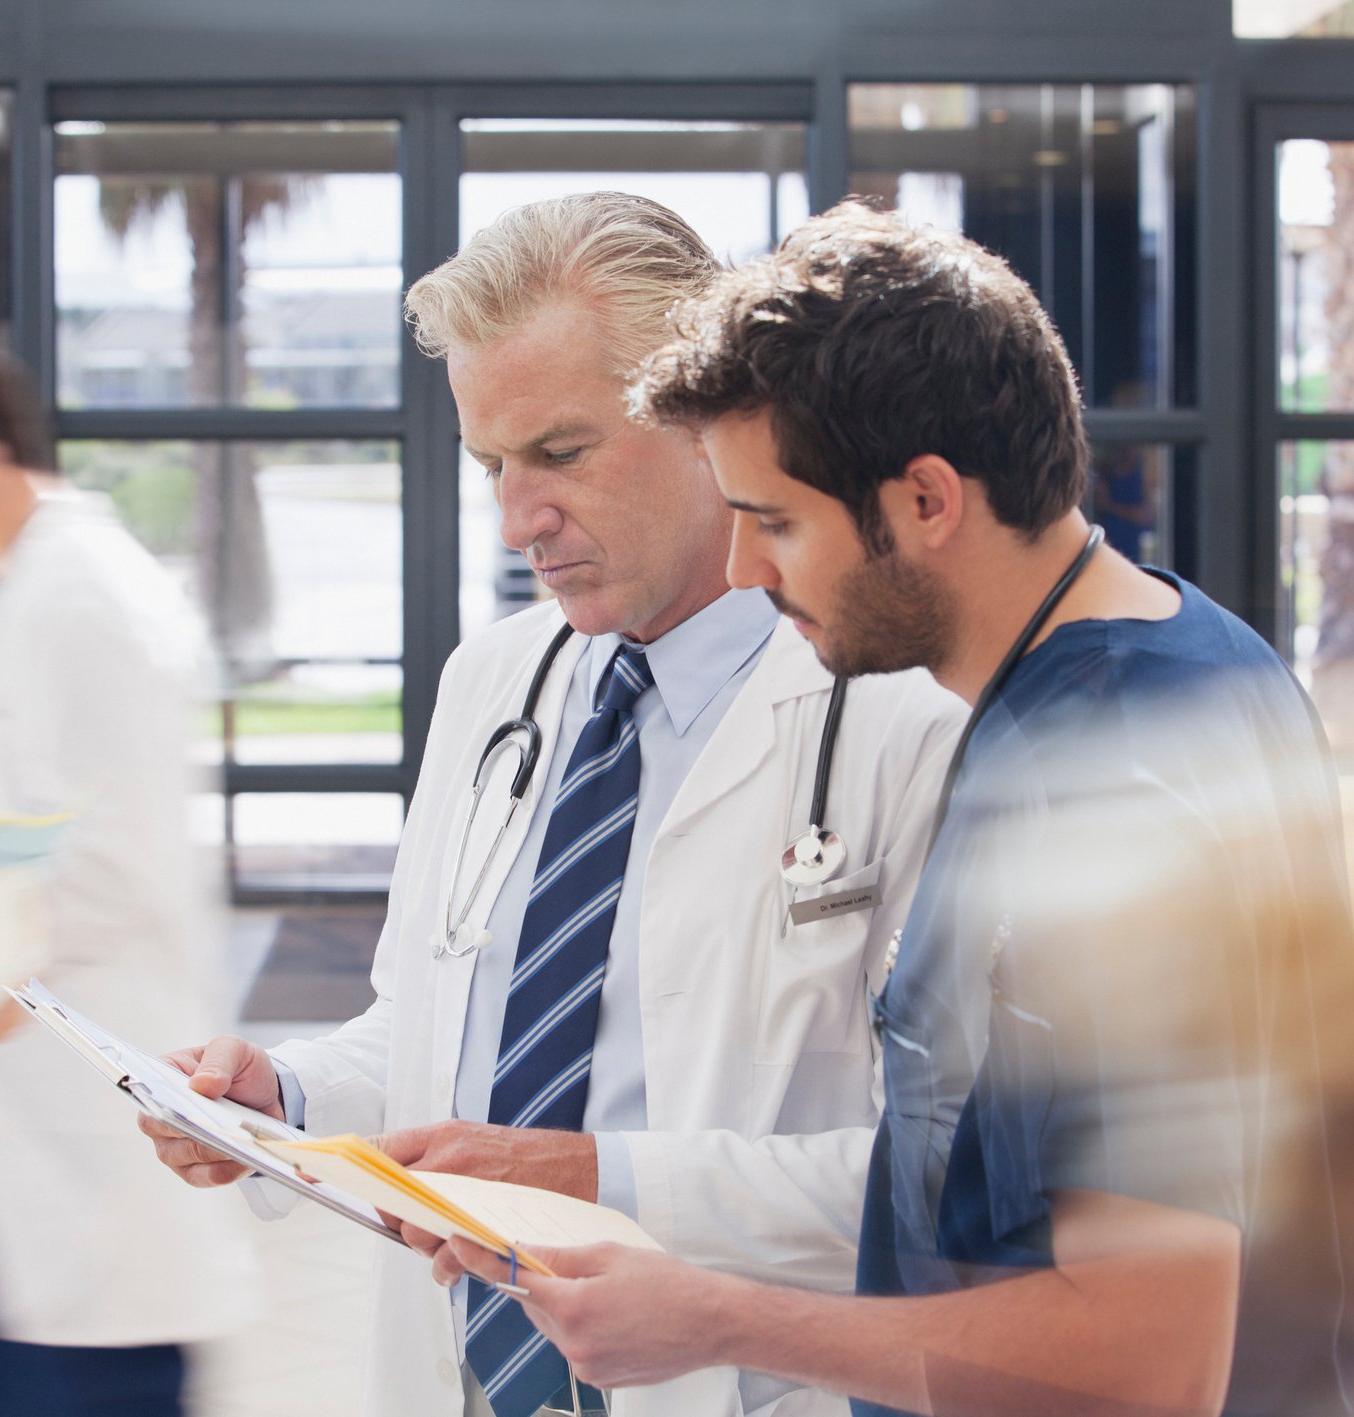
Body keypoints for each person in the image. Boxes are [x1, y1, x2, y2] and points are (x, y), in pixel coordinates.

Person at [436, 203, 1354, 1417]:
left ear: (927, 500)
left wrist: (708, 1312)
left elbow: (1146, 1356)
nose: (744, 573)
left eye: (776, 522)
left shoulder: (1103, 790)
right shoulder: (1187, 659)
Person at [140, 192, 966, 1417]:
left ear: (706, 418)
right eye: (492, 463)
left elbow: (954, 1176)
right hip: (464, 1376)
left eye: (562, 454)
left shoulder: (901, 712)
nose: (517, 517)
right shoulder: (493, 685)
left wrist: (601, 1177)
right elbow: (422, 1027)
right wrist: (290, 1101)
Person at [0, 341, 258, 1417]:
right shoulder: (53, 584)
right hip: (53, 1149)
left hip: (89, 1149)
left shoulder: (75, 599)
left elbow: (91, 876)